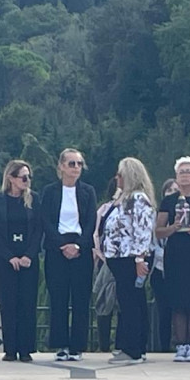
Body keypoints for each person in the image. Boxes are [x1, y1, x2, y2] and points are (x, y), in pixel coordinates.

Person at [40, 148, 97, 362]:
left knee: (81, 299)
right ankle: (60, 344)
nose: (76, 168)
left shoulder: (88, 192)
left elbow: (91, 221)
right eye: (72, 163)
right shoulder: (49, 191)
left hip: (81, 248)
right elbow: (45, 220)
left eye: (79, 164)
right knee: (59, 298)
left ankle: (77, 346)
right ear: (61, 166)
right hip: (57, 248)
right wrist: (62, 245)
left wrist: (79, 246)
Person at [155, 157, 190, 363]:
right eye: (181, 172)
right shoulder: (169, 201)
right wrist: (173, 228)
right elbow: (158, 231)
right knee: (177, 300)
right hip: (175, 253)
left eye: (189, 171)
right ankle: (180, 345)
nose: (185, 175)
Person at [0, 160, 41, 362]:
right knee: (8, 304)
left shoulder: (34, 199)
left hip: (28, 258)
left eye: (29, 177)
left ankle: (26, 349)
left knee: (27, 304)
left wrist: (28, 255)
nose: (27, 181)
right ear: (11, 178)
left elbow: (38, 230)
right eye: (23, 177)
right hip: (6, 260)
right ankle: (10, 349)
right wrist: (10, 257)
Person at [103, 158, 155, 364]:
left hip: (130, 258)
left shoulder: (137, 199)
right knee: (131, 300)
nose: (117, 178)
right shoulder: (124, 198)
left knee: (131, 302)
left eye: (121, 174)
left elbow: (142, 230)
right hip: (120, 257)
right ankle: (133, 345)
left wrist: (140, 258)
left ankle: (133, 349)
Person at [149, 179, 178, 353]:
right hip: (158, 268)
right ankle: (164, 346)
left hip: (178, 267)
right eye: (169, 190)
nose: (172, 193)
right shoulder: (155, 216)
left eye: (175, 190)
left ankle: (181, 343)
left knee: (180, 307)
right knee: (163, 309)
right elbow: (152, 240)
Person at [92, 178, 119, 354]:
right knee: (104, 301)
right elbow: (96, 234)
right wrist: (101, 255)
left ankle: (122, 344)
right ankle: (103, 345)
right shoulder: (104, 209)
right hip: (105, 261)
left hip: (126, 261)